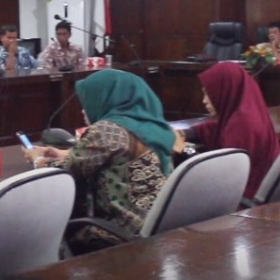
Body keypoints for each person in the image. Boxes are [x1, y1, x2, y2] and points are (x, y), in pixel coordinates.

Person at [22, 69, 174, 250]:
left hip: (122, 230)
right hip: (159, 224)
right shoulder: (154, 126)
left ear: (106, 98)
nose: (83, 109)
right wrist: (65, 153)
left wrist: (37, 160)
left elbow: (64, 172)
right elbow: (119, 154)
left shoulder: (107, 129)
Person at [179, 62, 280, 201]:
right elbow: (216, 127)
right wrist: (188, 133)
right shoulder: (249, 112)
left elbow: (219, 177)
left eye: (208, 94)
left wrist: (185, 150)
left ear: (224, 90)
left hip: (245, 202)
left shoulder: (241, 126)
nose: (204, 101)